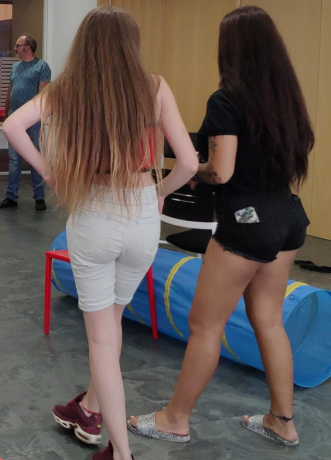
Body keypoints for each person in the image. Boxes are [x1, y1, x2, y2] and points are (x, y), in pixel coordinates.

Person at [2, 7, 198, 460]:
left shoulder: (70, 89)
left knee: (102, 340)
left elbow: (13, 125)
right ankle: (89, 408)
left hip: (94, 217)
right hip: (143, 217)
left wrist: (49, 172)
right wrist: (158, 194)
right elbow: (188, 163)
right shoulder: (154, 86)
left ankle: (121, 453)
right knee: (111, 323)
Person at [128, 5, 313, 448]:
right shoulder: (286, 97)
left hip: (246, 224)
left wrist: (196, 171)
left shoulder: (227, 98)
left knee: (204, 324)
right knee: (269, 319)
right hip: (287, 217)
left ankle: (175, 418)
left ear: (231, 49)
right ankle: (281, 421)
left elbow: (223, 171)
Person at [0, 33, 51, 211]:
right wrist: (6, 114)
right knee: (14, 160)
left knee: (34, 157)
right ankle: (11, 196)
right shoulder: (15, 67)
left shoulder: (42, 67)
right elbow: (9, 91)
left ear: (27, 48)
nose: (15, 49)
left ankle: (39, 197)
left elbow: (43, 96)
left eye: (17, 45)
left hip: (32, 122)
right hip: (14, 118)